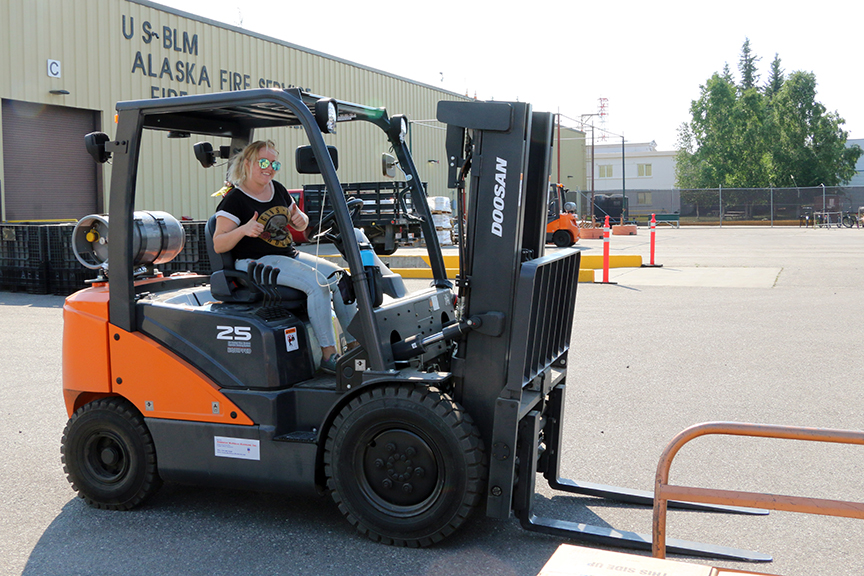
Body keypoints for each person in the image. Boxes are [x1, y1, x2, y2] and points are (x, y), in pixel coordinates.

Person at [212, 140, 358, 374]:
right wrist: (243, 230)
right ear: (248, 163)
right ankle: (329, 356)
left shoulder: (277, 189)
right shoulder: (235, 199)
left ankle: (355, 347)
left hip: (286, 255)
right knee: (317, 284)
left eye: (274, 163)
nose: (269, 168)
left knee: (340, 278)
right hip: (255, 262)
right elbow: (219, 243)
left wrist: (302, 220)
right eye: (263, 162)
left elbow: (299, 218)